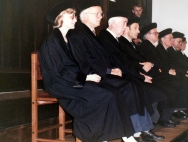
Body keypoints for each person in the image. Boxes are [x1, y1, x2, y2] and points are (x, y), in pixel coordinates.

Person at [67, 1, 164, 141]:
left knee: (131, 85)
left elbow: (102, 58)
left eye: (101, 14)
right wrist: (108, 70)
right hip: (93, 76)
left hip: (102, 73)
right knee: (128, 86)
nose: (101, 17)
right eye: (98, 14)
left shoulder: (90, 33)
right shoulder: (78, 34)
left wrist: (111, 69)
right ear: (86, 15)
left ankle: (132, 131)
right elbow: (85, 60)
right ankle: (128, 132)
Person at [39, 1, 134, 142]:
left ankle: (104, 135)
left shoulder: (67, 38)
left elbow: (75, 65)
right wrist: (85, 78)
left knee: (110, 92)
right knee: (103, 95)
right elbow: (59, 71)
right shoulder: (52, 40)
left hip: (71, 79)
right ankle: (90, 135)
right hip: (60, 84)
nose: (76, 20)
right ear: (60, 19)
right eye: (72, 17)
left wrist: (88, 76)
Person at [97, 10, 166, 141]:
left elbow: (125, 62)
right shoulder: (106, 38)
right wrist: (140, 76)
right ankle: (135, 132)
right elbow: (120, 63)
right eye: (123, 24)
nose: (125, 27)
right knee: (135, 87)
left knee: (138, 87)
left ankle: (141, 130)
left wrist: (140, 75)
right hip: (111, 76)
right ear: (113, 23)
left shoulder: (113, 38)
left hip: (122, 74)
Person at [117, 19, 180, 128]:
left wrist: (152, 66)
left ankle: (158, 120)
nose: (138, 31)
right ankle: (155, 122)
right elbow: (134, 63)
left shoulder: (134, 44)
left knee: (173, 84)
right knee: (162, 89)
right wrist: (147, 71)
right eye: (136, 28)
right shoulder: (129, 44)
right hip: (140, 76)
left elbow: (148, 62)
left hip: (145, 74)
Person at [138, 24, 188, 120]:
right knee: (173, 83)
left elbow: (160, 64)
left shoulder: (151, 46)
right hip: (152, 76)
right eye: (155, 33)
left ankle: (172, 112)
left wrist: (166, 70)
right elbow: (155, 64)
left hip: (158, 74)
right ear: (148, 35)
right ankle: (166, 116)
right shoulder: (145, 46)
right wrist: (166, 71)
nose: (157, 35)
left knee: (178, 81)